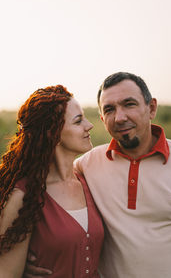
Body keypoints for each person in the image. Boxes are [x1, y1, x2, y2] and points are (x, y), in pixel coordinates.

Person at [24, 72, 171, 278]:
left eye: (129, 104)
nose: (120, 117)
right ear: (102, 118)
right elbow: (43, 190)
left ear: (151, 108)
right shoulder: (86, 165)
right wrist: (25, 258)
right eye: (109, 109)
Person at [0, 85, 104, 278]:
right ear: (52, 133)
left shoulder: (88, 179)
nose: (89, 125)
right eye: (78, 121)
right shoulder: (23, 196)